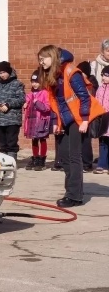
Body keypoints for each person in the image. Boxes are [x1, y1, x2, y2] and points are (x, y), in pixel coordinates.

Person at [37, 44, 105, 208]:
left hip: (79, 119)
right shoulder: (53, 75)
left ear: (52, 57)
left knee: (74, 156)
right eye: (39, 60)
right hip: (66, 119)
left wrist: (85, 120)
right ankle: (70, 191)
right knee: (64, 156)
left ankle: (75, 196)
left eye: (43, 59)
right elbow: (56, 102)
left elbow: (84, 97)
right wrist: (56, 122)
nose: (41, 63)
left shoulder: (71, 72)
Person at [0, 61, 25, 161]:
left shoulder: (17, 84)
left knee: (11, 142)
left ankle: (11, 161)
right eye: (0, 73)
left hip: (12, 119)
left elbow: (21, 99)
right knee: (2, 142)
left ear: (9, 72)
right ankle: (4, 161)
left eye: (4, 72)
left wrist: (9, 104)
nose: (2, 75)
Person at [23, 71, 51, 171]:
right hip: (32, 121)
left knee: (42, 139)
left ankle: (42, 160)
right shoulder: (30, 94)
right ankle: (35, 158)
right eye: (33, 82)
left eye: (37, 82)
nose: (34, 84)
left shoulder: (45, 93)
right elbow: (26, 100)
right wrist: (26, 103)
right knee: (34, 140)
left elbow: (47, 107)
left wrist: (37, 102)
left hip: (41, 121)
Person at [95, 66, 109, 174]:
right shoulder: (100, 88)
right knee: (102, 142)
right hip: (102, 117)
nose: (104, 77)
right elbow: (96, 102)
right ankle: (101, 164)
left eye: (106, 75)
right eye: (103, 75)